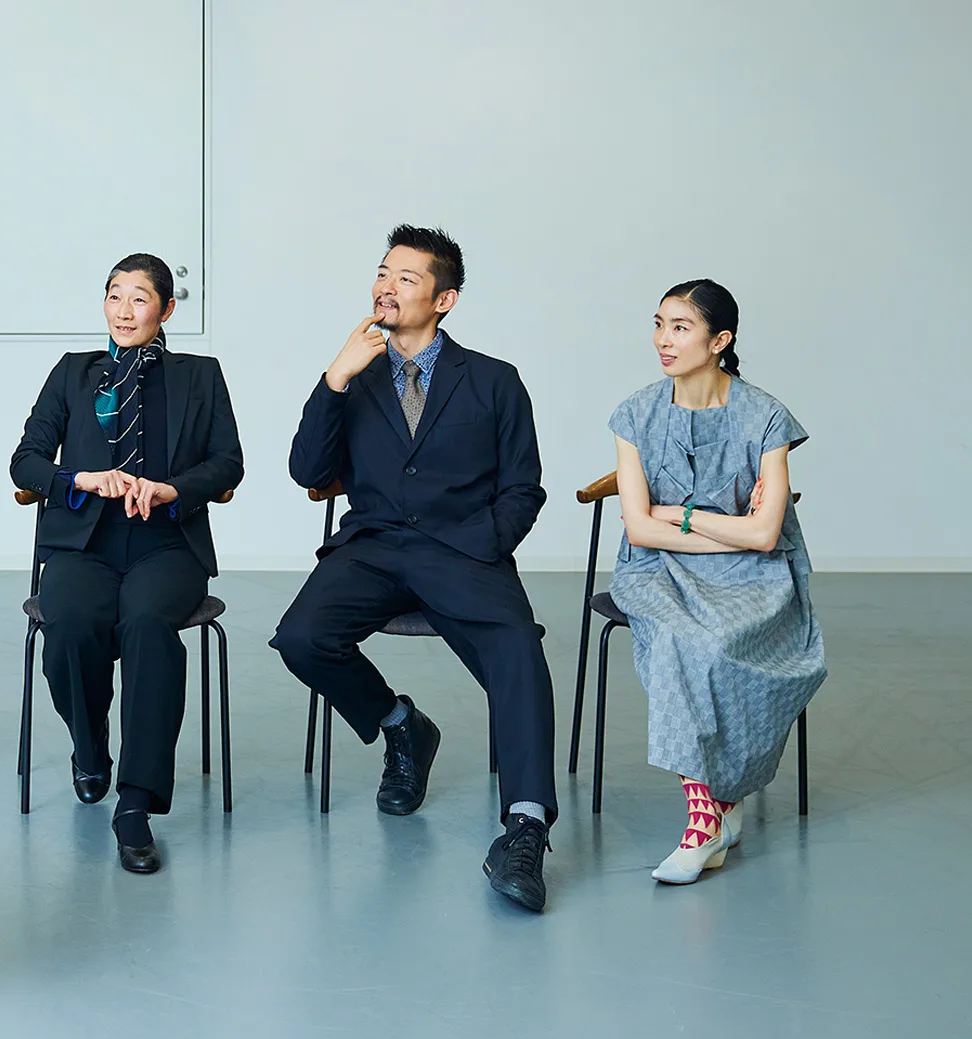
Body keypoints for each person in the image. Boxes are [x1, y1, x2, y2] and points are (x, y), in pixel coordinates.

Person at [270, 225, 559, 913]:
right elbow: (307, 471)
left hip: (463, 550)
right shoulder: (354, 375)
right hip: (373, 546)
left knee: (518, 652)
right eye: (382, 273)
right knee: (301, 637)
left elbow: (524, 488)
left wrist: (486, 542)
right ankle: (402, 724)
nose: (386, 287)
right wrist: (334, 379)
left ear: (444, 299)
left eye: (405, 277)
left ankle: (525, 828)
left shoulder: (493, 380)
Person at [10, 253, 244, 874]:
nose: (123, 310)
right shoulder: (73, 372)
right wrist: (79, 479)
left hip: (166, 543)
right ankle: (90, 751)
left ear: (166, 310)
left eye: (139, 298)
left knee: (147, 624)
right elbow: (26, 460)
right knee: (67, 622)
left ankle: (136, 803)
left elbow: (228, 462)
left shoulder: (200, 375)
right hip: (83, 542)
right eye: (114, 295)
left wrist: (172, 489)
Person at [608, 279, 825, 883]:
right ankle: (705, 816)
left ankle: (725, 802)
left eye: (680, 327)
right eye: (659, 324)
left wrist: (679, 516)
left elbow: (765, 536)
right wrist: (731, 529)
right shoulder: (634, 415)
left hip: (754, 574)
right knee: (679, 638)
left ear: (719, 340)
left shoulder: (766, 416)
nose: (663, 339)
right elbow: (639, 530)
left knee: (723, 642)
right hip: (655, 568)